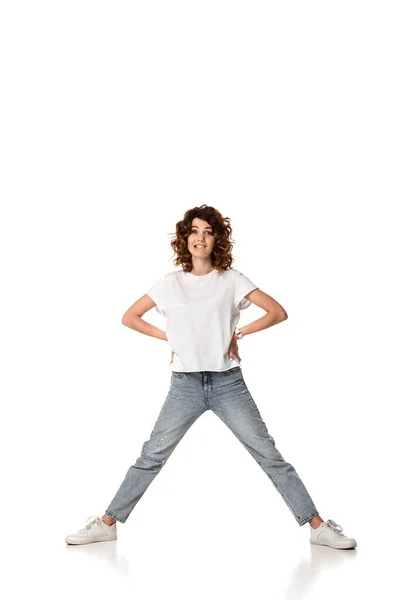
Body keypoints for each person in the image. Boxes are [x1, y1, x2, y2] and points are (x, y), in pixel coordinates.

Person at [65, 205, 356, 550]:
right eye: (194, 231)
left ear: (216, 239)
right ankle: (107, 522)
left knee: (268, 454)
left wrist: (240, 333)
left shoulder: (231, 279)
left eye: (207, 231)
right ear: (185, 238)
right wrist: (169, 338)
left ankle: (317, 526)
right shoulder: (169, 283)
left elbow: (277, 312)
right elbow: (130, 317)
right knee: (152, 456)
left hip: (227, 383)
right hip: (184, 386)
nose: (200, 238)